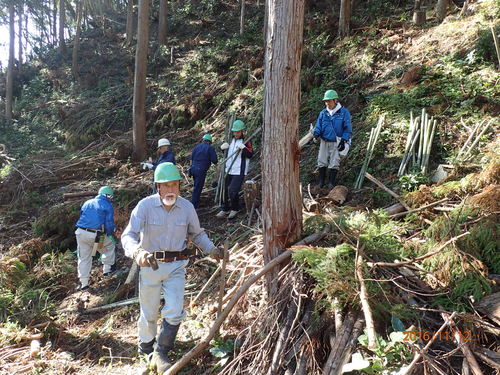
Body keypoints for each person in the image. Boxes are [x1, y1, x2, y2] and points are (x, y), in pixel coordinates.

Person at [121, 162, 223, 374]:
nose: (170, 190)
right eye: (165, 186)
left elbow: (197, 234)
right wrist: (137, 252)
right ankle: (146, 350)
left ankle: (162, 351)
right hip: (150, 266)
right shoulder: (145, 206)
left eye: (174, 185)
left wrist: (212, 250)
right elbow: (128, 235)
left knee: (175, 310)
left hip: (176, 266)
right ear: (158, 187)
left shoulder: (186, 208)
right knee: (148, 312)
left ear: (179, 185)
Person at [75, 186, 116, 291]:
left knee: (84, 257)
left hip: (81, 233)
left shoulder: (87, 202)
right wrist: (111, 234)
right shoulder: (107, 205)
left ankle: (84, 283)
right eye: (111, 196)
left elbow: (82, 215)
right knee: (108, 247)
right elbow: (109, 223)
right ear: (108, 195)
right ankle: (107, 270)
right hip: (96, 235)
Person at [313, 89, 352, 189]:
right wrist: (316, 134)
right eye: (326, 101)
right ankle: (321, 183)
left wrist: (344, 140)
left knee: (334, 162)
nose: (327, 103)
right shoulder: (323, 113)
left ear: (335, 100)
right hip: (324, 140)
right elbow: (318, 126)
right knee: (321, 161)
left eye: (329, 101)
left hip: (336, 141)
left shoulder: (344, 113)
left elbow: (348, 128)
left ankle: (331, 183)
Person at [216, 120, 254, 219]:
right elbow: (227, 154)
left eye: (238, 132)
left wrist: (244, 148)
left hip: (239, 170)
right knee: (223, 188)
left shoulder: (247, 140)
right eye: (234, 131)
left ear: (242, 131)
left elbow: (250, 155)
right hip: (228, 169)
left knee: (232, 190)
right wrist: (223, 149)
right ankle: (225, 208)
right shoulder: (230, 139)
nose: (236, 133)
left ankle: (234, 209)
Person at [189, 134, 218, 209]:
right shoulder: (210, 148)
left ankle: (195, 202)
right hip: (201, 170)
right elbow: (215, 160)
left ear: (203, 140)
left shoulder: (196, 147)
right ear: (210, 142)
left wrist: (191, 168)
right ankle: (194, 206)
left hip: (193, 169)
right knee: (198, 187)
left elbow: (191, 159)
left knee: (196, 186)